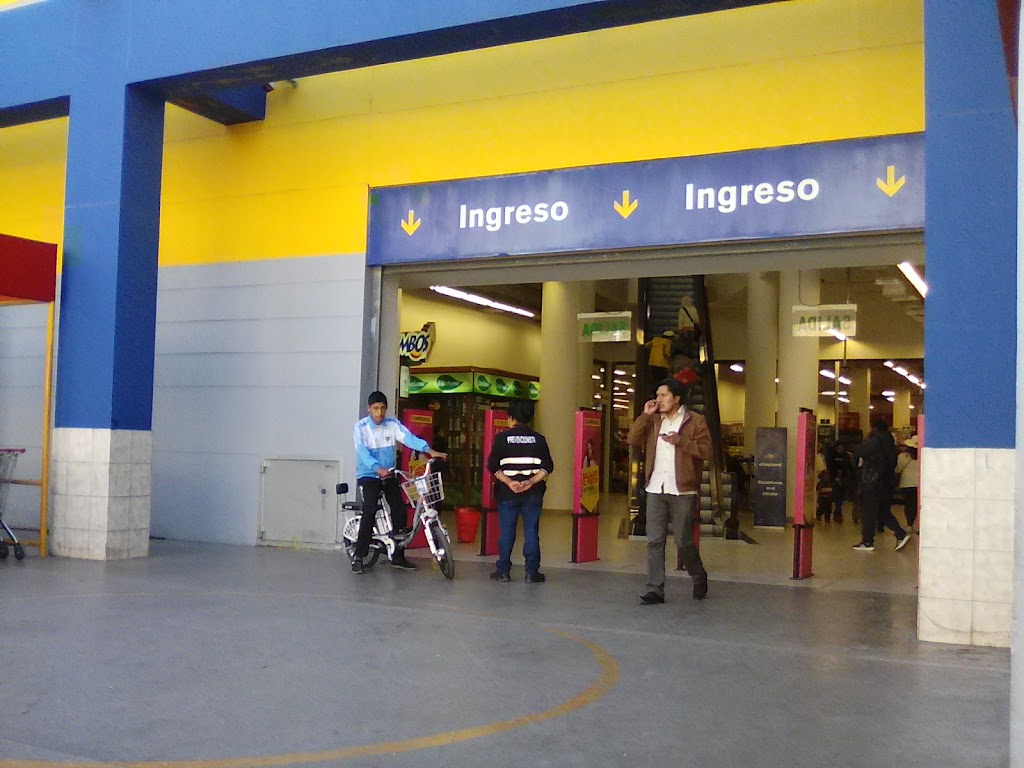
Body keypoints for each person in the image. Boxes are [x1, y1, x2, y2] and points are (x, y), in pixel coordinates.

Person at [627, 377, 712, 603]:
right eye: (657, 395)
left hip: (682, 490)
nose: (658, 399)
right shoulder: (654, 421)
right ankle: (655, 588)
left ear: (676, 398)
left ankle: (698, 575)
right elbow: (632, 439)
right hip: (656, 487)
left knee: (683, 540)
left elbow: (706, 451)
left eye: (663, 395)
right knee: (654, 540)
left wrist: (681, 441)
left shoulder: (695, 420)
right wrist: (645, 415)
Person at [351, 391, 447, 574]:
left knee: (400, 511)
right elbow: (362, 452)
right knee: (369, 511)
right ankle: (359, 556)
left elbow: (408, 438)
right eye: (375, 408)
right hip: (369, 475)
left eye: (382, 408)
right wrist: (377, 468)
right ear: (369, 409)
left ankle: (398, 556)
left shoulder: (392, 424)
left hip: (389, 474)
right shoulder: (360, 427)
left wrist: (429, 450)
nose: (379, 412)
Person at [487, 399, 554, 583]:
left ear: (511, 418)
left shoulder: (502, 438)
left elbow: (492, 466)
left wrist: (510, 482)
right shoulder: (539, 439)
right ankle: (531, 573)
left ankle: (503, 571)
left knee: (507, 532)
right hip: (532, 494)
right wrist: (530, 482)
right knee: (531, 531)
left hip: (507, 494)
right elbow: (547, 467)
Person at [852, 419, 910, 552]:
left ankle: (867, 541)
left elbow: (859, 452)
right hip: (886, 481)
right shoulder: (890, 442)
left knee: (869, 512)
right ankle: (900, 534)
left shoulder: (875, 441)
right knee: (882, 511)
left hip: (873, 482)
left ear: (874, 428)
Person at [896, 435, 919, 532]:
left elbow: (897, 469)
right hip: (918, 484)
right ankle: (918, 525)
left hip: (906, 483)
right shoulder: (923, 456)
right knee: (917, 505)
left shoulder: (902, 456)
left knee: (908, 504)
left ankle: (909, 524)